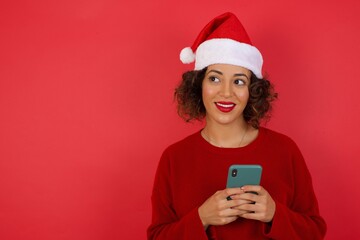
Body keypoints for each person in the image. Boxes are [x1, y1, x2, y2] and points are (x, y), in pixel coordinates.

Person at [147, 12, 326, 240]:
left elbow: (315, 233)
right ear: (198, 84)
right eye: (214, 78)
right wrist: (201, 218)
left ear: (253, 90)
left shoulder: (285, 151)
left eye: (239, 81)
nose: (226, 92)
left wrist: (274, 214)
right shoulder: (174, 158)